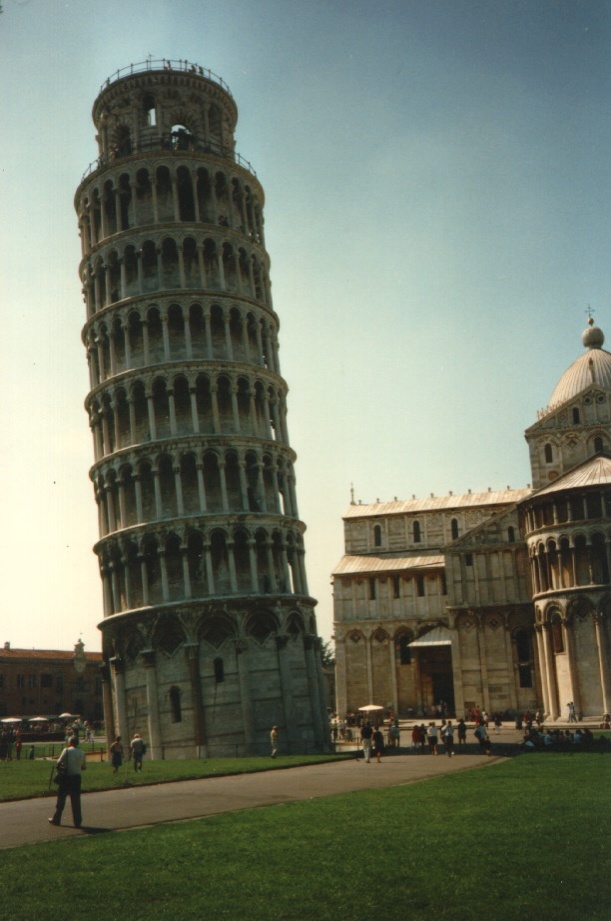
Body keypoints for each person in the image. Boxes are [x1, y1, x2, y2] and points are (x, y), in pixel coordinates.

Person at [48, 736, 86, 828]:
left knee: (61, 799)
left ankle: (57, 818)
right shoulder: (82, 753)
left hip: (66, 777)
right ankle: (77, 821)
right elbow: (83, 767)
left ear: (70, 742)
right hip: (76, 777)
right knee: (76, 801)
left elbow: (59, 761)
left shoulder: (66, 751)